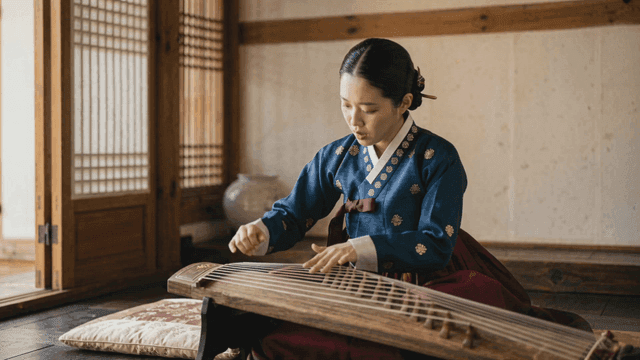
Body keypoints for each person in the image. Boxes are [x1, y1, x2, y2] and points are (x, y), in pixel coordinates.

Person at [227, 38, 589, 360]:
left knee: (441, 324)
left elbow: (435, 242)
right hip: (358, 278)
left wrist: (359, 248)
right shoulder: (336, 156)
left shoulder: (438, 158)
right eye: (345, 105)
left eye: (368, 109)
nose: (354, 121)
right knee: (273, 326)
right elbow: (295, 212)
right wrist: (263, 229)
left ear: (404, 102)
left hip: (429, 276)